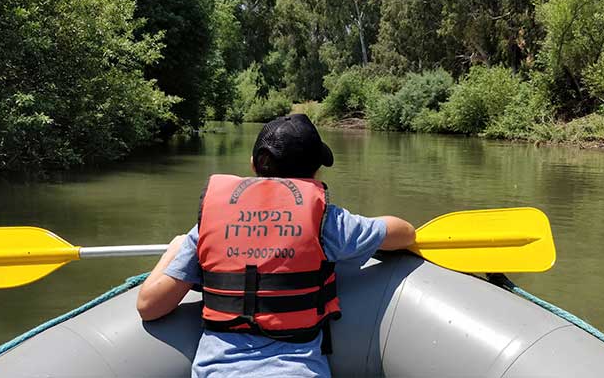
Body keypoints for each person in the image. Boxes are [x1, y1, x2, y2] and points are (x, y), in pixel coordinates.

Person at [137, 114, 416, 378]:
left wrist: (177, 247)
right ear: (315, 173)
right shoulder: (329, 223)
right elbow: (404, 233)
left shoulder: (209, 224)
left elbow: (149, 306)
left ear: (253, 164)